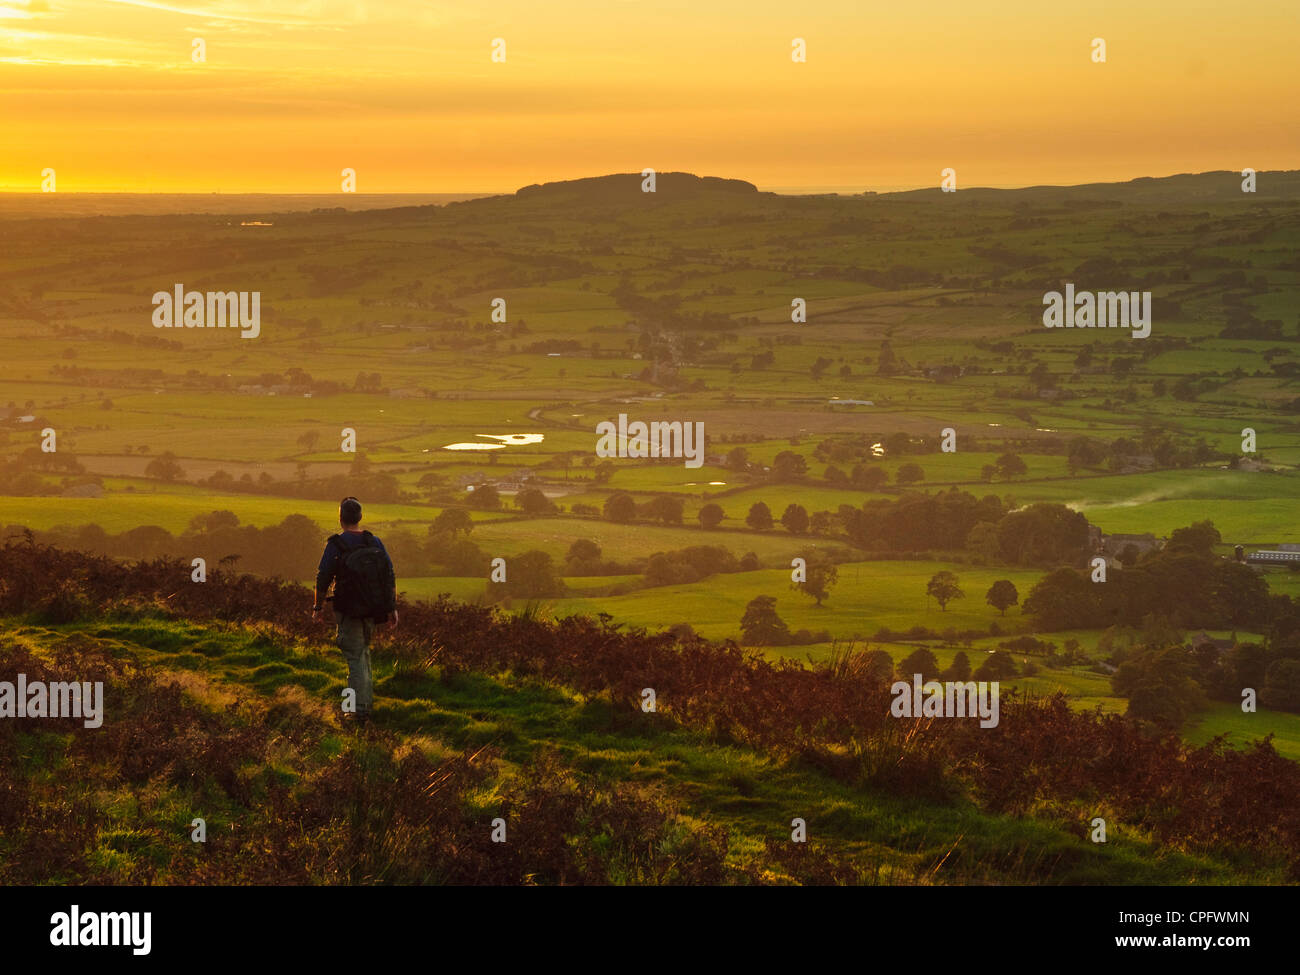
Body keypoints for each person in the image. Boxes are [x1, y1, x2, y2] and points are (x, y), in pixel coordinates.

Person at [311, 497, 397, 726]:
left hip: (348, 610)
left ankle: (356, 713)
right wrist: (392, 607)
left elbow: (323, 578)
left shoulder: (336, 545)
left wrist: (317, 607)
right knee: (363, 654)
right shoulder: (373, 541)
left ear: (341, 519)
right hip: (373, 608)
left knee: (354, 658)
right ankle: (365, 705)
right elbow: (389, 574)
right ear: (359, 518)